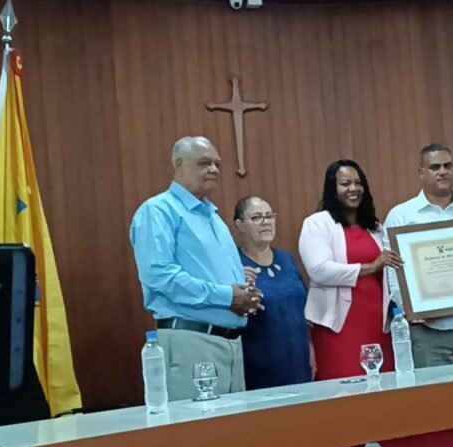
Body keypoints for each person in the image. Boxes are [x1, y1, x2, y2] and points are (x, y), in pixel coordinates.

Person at [129, 136, 263, 400]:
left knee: (235, 435)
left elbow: (207, 270)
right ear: (179, 166)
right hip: (192, 341)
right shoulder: (157, 211)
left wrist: (242, 284)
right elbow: (159, 275)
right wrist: (228, 295)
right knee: (199, 437)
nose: (213, 169)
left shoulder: (212, 216)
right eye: (204, 163)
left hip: (231, 344)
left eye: (216, 164)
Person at [383, 143, 453, 367]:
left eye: (447, 166)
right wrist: (409, 308)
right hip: (429, 331)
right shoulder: (402, 215)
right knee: (435, 400)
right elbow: (393, 273)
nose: (443, 171)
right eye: (435, 167)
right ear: (421, 173)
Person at [299, 159, 402, 379]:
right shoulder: (317, 223)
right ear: (332, 189)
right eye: (345, 184)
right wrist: (372, 266)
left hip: (378, 323)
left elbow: (393, 268)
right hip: (338, 327)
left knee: (384, 388)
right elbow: (319, 270)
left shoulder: (375, 227)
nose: (353, 189)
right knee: (343, 389)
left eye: (358, 183)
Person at [234, 196, 313, 388]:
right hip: (257, 367)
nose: (266, 222)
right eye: (256, 217)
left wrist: (311, 350)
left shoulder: (287, 259)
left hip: (298, 360)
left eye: (269, 216)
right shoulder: (234, 265)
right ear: (239, 225)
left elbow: (302, 310)